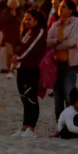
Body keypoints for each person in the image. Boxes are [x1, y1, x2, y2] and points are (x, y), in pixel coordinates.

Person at [46, 0, 78, 119]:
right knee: (58, 97)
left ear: (71, 10)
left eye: (64, 7)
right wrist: (56, 41)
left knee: (69, 95)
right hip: (56, 64)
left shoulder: (77, 23)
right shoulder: (56, 24)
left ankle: (72, 123)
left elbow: (72, 42)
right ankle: (60, 126)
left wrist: (57, 46)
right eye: (60, 7)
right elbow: (46, 42)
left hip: (70, 64)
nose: (60, 8)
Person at [14, 8, 48, 137]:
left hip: (32, 69)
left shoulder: (40, 32)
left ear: (36, 20)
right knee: (24, 97)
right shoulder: (29, 32)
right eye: (25, 18)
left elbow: (32, 48)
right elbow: (21, 46)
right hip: (22, 68)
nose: (26, 21)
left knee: (31, 98)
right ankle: (24, 126)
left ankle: (31, 128)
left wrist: (18, 57)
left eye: (29, 19)